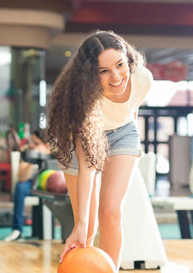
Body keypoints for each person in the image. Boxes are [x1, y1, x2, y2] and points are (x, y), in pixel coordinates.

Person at [46, 30, 153, 269]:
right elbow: (88, 167)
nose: (116, 77)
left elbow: (131, 108)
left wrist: (129, 137)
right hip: (83, 141)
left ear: (128, 59)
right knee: (87, 228)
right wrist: (79, 225)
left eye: (120, 65)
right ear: (89, 75)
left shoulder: (143, 79)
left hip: (124, 132)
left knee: (111, 213)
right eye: (104, 71)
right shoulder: (84, 102)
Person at [3, 130, 51, 242]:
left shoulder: (54, 152)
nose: (32, 145)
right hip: (31, 184)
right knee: (20, 186)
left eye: (36, 143)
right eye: (31, 141)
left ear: (46, 144)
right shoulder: (28, 151)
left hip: (47, 184)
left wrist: (45, 153)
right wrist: (32, 160)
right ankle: (17, 230)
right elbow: (22, 177)